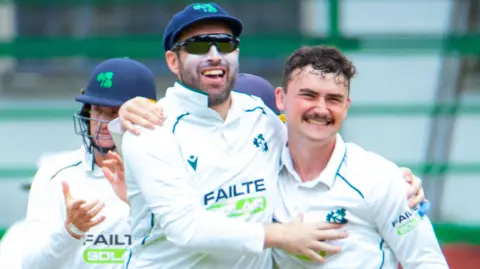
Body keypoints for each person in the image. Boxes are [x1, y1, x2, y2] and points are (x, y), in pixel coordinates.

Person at [112, 3, 353, 269]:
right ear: (172, 61)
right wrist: (279, 235)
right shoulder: (149, 126)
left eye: (225, 44)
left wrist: (391, 179)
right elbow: (186, 227)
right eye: (198, 45)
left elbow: (312, 153)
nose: (215, 55)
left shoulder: (258, 113)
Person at [271, 45, 447, 268]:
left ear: (346, 107)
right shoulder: (260, 169)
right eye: (309, 95)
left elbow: (427, 261)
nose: (321, 109)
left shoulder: (382, 179)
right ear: (281, 98)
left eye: (333, 99)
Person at [22, 57, 158, 269]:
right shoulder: (56, 175)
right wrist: (71, 232)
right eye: (97, 110)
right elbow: (32, 266)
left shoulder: (166, 170)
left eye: (114, 113)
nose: (102, 123)